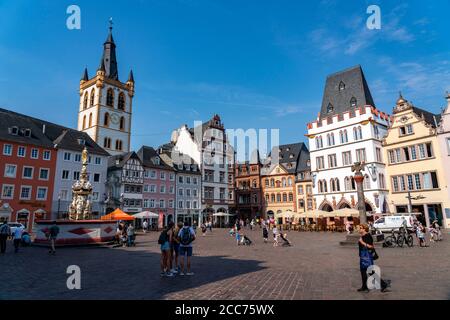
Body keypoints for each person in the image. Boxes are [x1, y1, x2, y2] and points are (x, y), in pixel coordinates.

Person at [358, 224, 390, 293]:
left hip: (367, 257)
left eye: (361, 228)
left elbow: (371, 246)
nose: (359, 229)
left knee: (371, 272)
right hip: (363, 256)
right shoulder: (362, 236)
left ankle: (383, 285)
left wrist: (362, 242)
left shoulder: (368, 236)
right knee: (363, 272)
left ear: (364, 229)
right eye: (359, 228)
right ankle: (364, 287)